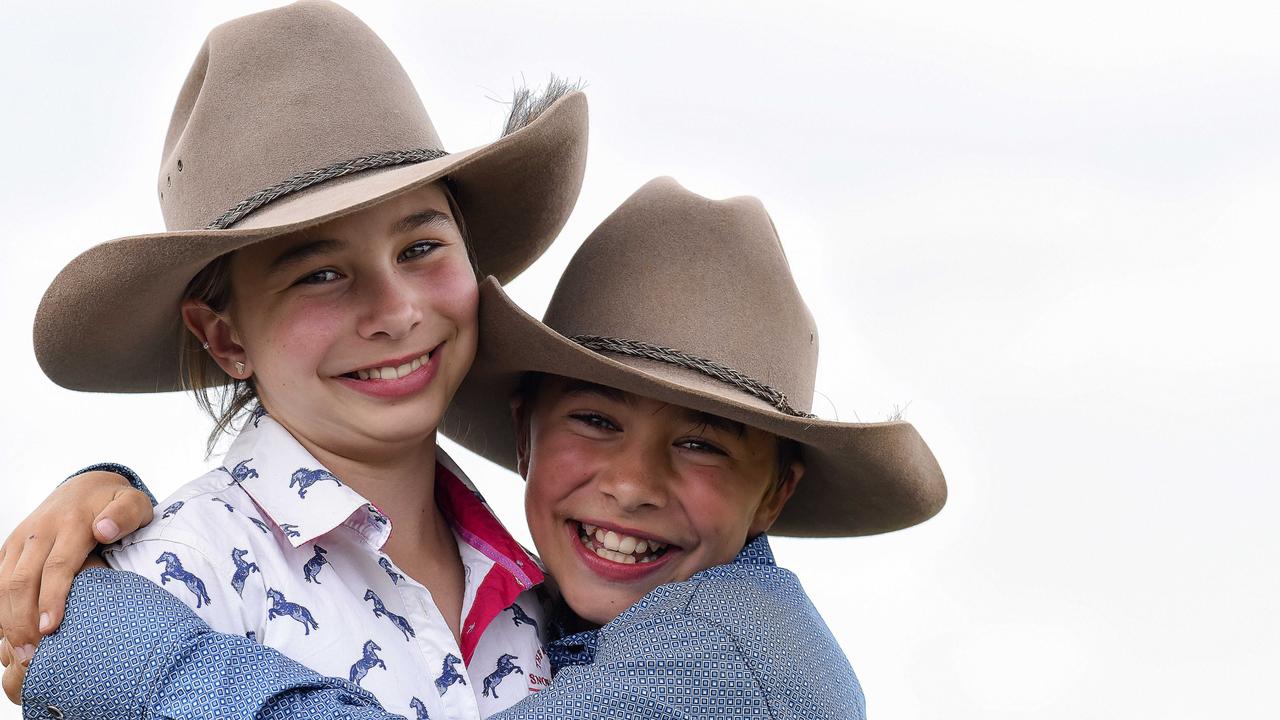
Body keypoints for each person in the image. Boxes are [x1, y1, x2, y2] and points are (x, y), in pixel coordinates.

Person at [4, 178, 947, 719]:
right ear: (529, 422)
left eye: (703, 445)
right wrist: (112, 505)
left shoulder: (735, 655)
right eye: (597, 420)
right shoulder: (556, 610)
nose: (629, 485)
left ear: (775, 496)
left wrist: (118, 649)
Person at [0, 1, 588, 718]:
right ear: (225, 339)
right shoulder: (165, 590)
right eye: (319, 274)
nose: (397, 310)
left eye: (421, 248)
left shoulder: (552, 590)